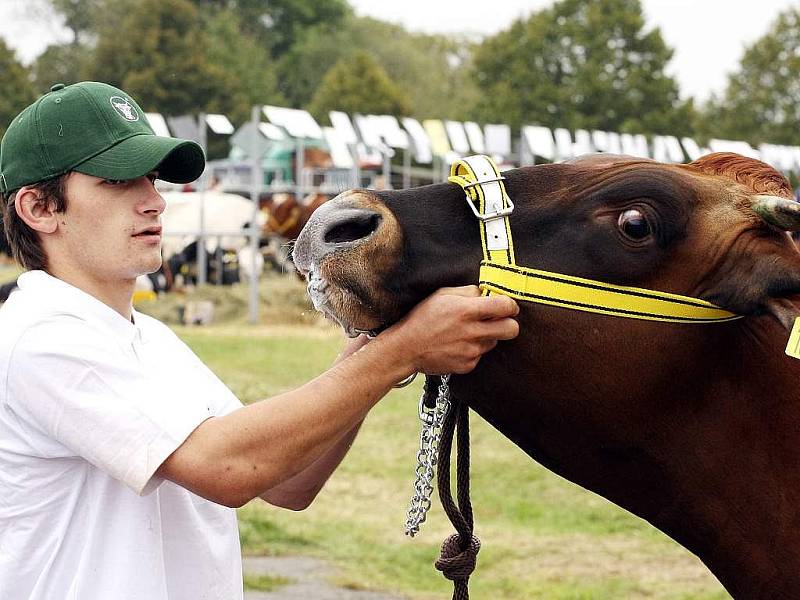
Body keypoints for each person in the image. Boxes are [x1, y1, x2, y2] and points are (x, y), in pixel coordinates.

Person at [0, 82, 520, 600]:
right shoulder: (44, 336)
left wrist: (373, 339)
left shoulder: (145, 337)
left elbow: (286, 483)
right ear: (40, 208)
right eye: (118, 182)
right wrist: (402, 350)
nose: (154, 201)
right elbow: (228, 468)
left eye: (151, 179)